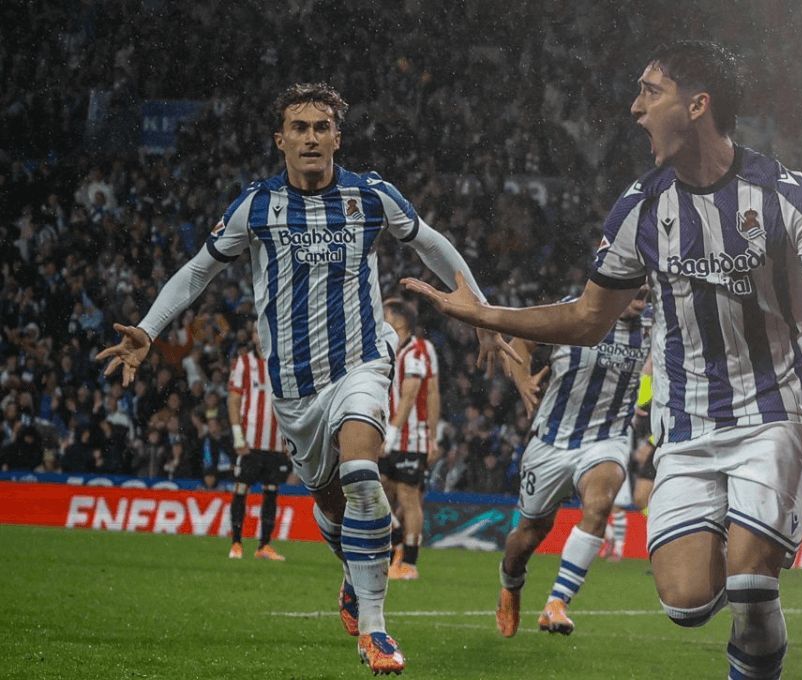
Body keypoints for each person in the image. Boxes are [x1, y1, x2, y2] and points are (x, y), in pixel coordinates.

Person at [403, 41, 802, 677]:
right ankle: (751, 599)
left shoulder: (784, 195)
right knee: (687, 604)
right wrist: (485, 314)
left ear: (697, 105)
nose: (636, 109)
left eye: (650, 92)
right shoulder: (640, 206)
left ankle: (755, 611)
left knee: (749, 586)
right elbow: (586, 317)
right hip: (685, 425)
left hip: (773, 411)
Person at [97, 82, 515, 676]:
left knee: (364, 477)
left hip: (363, 363)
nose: (312, 137)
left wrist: (482, 310)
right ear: (281, 140)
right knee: (331, 501)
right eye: (300, 127)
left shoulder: (370, 196)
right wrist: (147, 328)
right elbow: (197, 271)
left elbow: (431, 244)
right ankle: (352, 571)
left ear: (337, 138)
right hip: (293, 388)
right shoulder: (257, 206)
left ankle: (375, 630)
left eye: (322, 127)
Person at [492, 287, 651, 637]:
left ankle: (557, 602)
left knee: (599, 505)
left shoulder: (656, 324)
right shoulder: (575, 310)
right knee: (529, 535)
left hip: (607, 439)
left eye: (646, 281)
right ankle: (510, 583)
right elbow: (521, 342)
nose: (643, 289)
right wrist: (523, 383)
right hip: (550, 441)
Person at [380, 299, 440, 581]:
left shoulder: (416, 350)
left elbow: (412, 393)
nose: (382, 317)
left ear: (399, 319)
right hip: (391, 434)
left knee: (409, 496)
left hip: (409, 438)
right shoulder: (392, 348)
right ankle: (396, 539)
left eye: (386, 313)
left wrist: (430, 437)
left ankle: (410, 563)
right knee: (376, 488)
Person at [227, 328, 290, 561]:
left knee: (271, 494)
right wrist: (237, 436)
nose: (260, 334)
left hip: (275, 444)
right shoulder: (244, 363)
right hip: (250, 444)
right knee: (241, 490)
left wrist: (288, 439)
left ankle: (264, 545)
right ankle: (236, 542)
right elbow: (233, 401)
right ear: (252, 336)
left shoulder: (282, 364)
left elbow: (290, 404)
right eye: (255, 331)